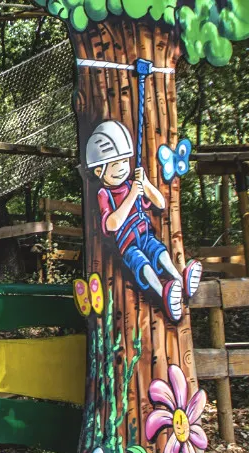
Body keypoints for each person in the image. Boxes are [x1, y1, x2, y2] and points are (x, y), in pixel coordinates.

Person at [84, 120, 200, 323]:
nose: (121, 168)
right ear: (98, 171)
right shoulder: (104, 193)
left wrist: (145, 184)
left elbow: (160, 203)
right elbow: (112, 224)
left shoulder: (132, 184)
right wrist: (131, 196)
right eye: (114, 165)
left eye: (123, 162)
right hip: (127, 245)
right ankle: (162, 291)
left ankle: (180, 280)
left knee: (160, 252)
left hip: (145, 235)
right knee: (143, 264)